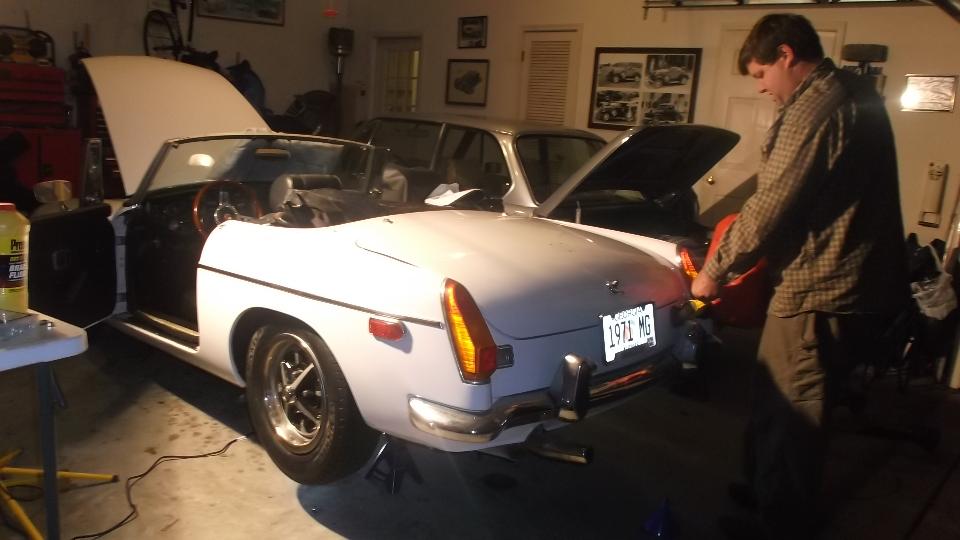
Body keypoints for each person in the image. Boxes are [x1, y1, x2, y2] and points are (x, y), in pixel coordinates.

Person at [690, 13, 909, 539]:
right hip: (838, 281)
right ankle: (763, 491)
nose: (761, 87)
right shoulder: (853, 90)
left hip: (818, 289)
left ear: (787, 55)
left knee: (794, 410)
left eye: (762, 73)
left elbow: (771, 206)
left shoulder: (817, 107)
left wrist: (713, 273)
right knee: (773, 394)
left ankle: (779, 524)